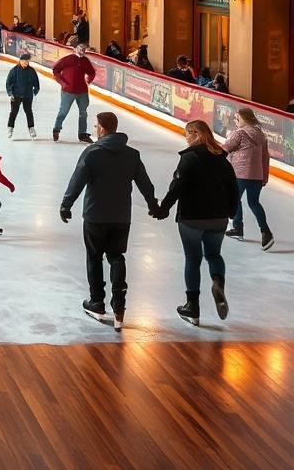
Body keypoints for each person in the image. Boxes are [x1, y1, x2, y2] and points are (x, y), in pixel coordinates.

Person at [59, 112, 158, 331]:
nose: (95, 129)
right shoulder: (132, 154)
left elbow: (77, 180)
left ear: (102, 128)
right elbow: (145, 183)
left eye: (96, 126)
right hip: (121, 217)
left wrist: (66, 204)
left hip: (95, 216)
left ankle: (97, 302)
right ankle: (119, 306)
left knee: (94, 258)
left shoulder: (92, 152)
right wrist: (153, 204)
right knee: (116, 257)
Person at [156, 119, 238, 326]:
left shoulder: (189, 158)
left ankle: (192, 307)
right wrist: (231, 212)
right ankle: (218, 283)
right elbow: (233, 189)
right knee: (214, 255)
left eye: (187, 133)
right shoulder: (223, 160)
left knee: (192, 259)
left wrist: (163, 208)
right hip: (218, 217)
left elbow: (177, 186)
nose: (185, 137)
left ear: (195, 134)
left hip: (192, 218)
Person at [223, 108, 274, 250]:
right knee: (254, 202)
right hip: (257, 174)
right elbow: (265, 157)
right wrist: (264, 176)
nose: (235, 120)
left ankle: (237, 228)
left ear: (244, 118)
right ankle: (266, 232)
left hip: (240, 173)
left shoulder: (239, 133)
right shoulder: (261, 135)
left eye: (237, 118)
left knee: (234, 199)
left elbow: (225, 148)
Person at [51, 43, 96, 143]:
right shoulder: (68, 59)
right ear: (75, 49)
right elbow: (55, 69)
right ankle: (56, 129)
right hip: (68, 91)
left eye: (84, 49)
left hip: (82, 91)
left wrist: (89, 80)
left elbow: (92, 72)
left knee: (83, 113)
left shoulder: (85, 61)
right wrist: (62, 82)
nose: (82, 50)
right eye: (80, 48)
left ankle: (82, 134)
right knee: (63, 111)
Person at [5, 52, 40, 140]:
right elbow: (8, 83)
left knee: (29, 112)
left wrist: (34, 92)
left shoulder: (31, 71)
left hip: (27, 95)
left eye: (27, 61)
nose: (25, 63)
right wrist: (10, 93)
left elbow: (36, 84)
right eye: (24, 61)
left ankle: (31, 128)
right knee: (13, 112)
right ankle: (10, 128)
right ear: (20, 61)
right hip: (16, 95)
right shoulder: (14, 70)